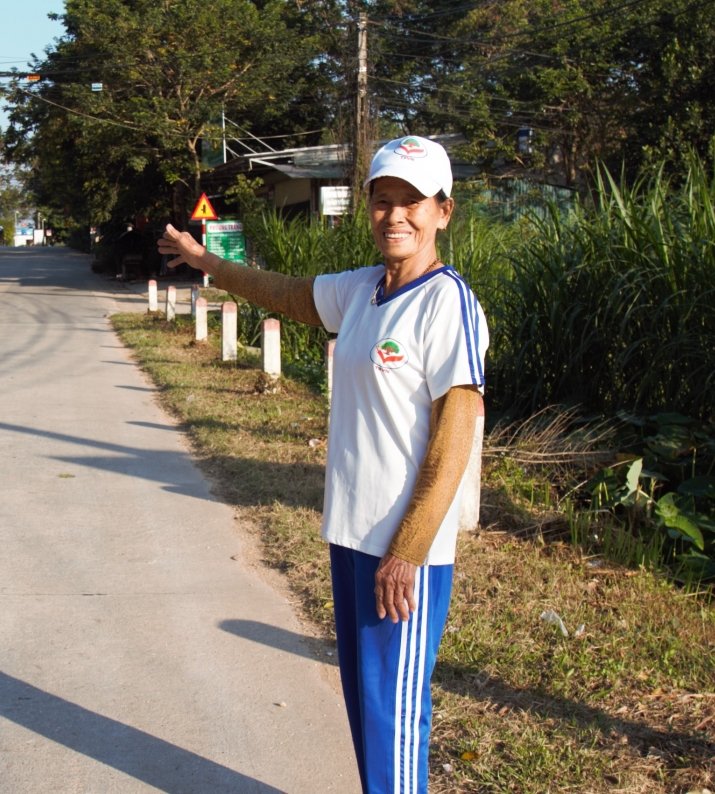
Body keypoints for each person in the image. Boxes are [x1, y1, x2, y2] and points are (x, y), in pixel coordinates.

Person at [158, 135, 487, 794]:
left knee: (395, 715)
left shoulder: (445, 301)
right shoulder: (364, 290)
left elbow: (456, 433)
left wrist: (410, 548)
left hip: (402, 549)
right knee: (368, 709)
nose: (396, 216)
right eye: (383, 200)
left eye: (413, 203)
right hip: (353, 536)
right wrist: (208, 264)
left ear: (443, 213)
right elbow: (285, 293)